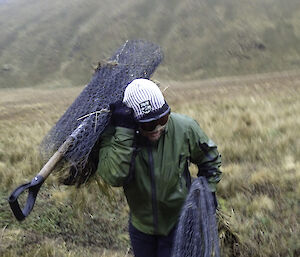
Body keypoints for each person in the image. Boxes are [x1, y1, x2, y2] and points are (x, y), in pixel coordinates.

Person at [97, 78, 222, 257]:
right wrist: (124, 133)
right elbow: (114, 176)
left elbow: (210, 159)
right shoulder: (118, 138)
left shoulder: (185, 128)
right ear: (133, 122)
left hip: (179, 223)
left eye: (162, 118)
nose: (157, 127)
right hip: (141, 229)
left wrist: (209, 191)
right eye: (148, 124)